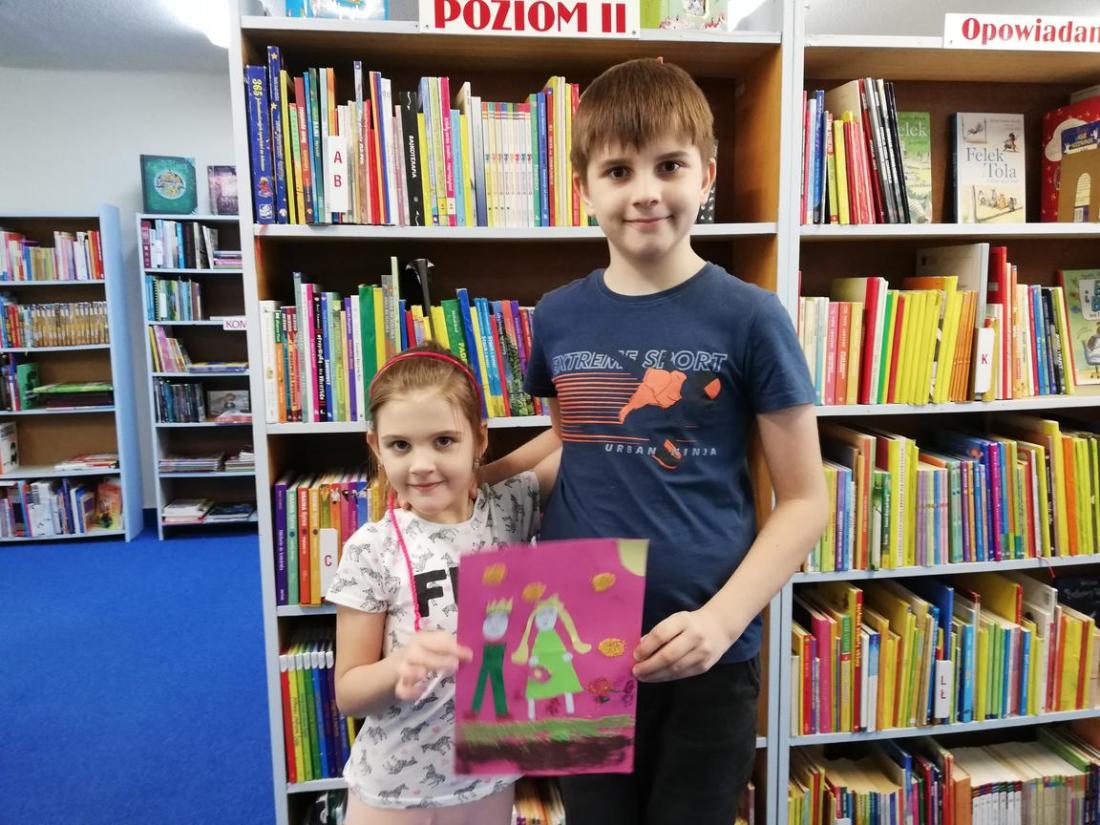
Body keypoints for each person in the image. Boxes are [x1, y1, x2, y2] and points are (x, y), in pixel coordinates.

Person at [483, 58, 830, 824]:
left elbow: (807, 499)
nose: (645, 191)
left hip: (706, 642)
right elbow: (572, 433)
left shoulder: (751, 316)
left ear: (707, 174)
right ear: (584, 188)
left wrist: (723, 620)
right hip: (571, 626)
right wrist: (481, 478)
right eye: (618, 170)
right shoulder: (557, 315)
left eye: (669, 165)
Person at [326, 341, 559, 824]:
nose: (422, 464)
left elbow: (575, 436)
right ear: (376, 446)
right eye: (400, 445)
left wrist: (485, 472)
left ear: (480, 438)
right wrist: (399, 667)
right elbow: (348, 692)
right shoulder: (372, 549)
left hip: (490, 777)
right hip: (394, 790)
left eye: (444, 441)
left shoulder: (509, 509)